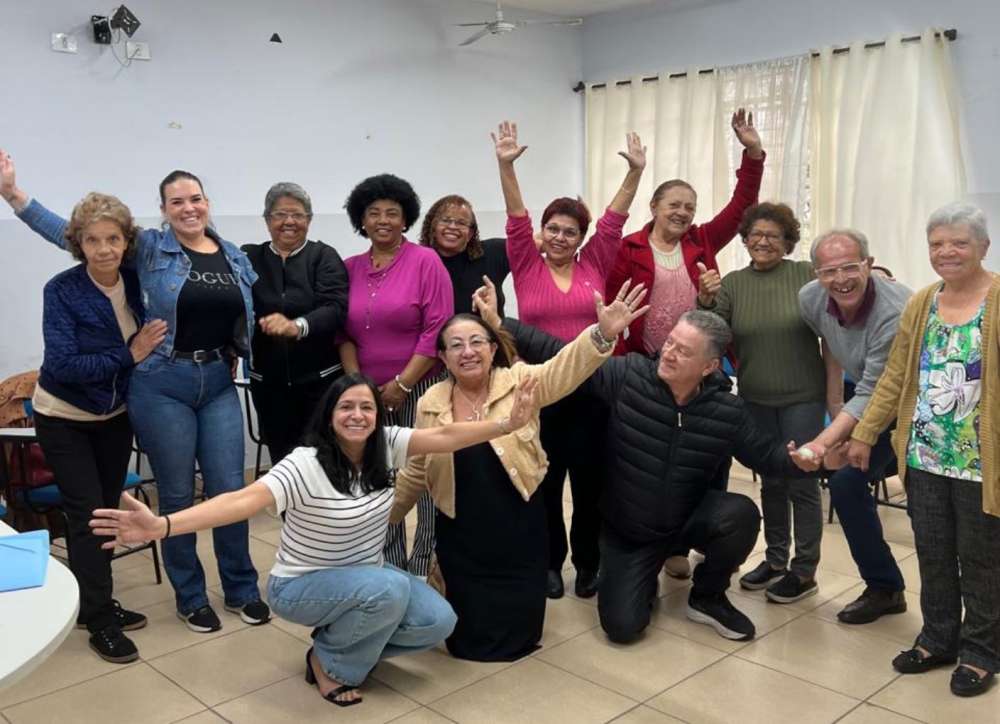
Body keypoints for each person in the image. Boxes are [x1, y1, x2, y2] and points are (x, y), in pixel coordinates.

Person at [90, 372, 540, 706]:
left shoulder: (387, 444)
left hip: (365, 578)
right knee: (391, 588)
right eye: (346, 407)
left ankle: (337, 642)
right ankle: (330, 666)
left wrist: (505, 424)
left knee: (438, 621)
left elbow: (445, 435)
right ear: (329, 416)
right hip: (302, 585)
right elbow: (240, 500)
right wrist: (164, 525)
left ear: (377, 415)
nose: (357, 415)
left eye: (366, 407)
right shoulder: (304, 464)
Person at [1, 152, 270, 633]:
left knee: (231, 489)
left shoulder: (232, 254)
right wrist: (14, 195)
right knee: (177, 493)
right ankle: (191, 596)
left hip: (217, 380)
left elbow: (246, 312)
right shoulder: (147, 249)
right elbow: (74, 233)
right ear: (163, 210)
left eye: (195, 198)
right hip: (162, 380)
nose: (188, 208)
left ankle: (241, 588)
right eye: (176, 202)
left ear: (207, 202)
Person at [503, 309, 822, 643]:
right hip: (628, 531)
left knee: (740, 514)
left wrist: (803, 461)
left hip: (684, 520)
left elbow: (766, 456)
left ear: (709, 366)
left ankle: (708, 597)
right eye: (670, 342)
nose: (669, 353)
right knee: (623, 627)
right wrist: (502, 323)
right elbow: (561, 354)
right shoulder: (629, 376)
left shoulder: (726, 410)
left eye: (683, 351)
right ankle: (643, 579)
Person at [392, 278, 648, 661]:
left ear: (493, 348)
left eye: (477, 342)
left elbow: (564, 368)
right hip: (461, 532)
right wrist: (380, 517)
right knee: (466, 629)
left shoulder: (519, 382)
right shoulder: (431, 401)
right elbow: (416, 469)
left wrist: (601, 333)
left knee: (520, 620)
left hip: (519, 524)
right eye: (456, 345)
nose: (468, 352)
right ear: (442, 357)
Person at [0, 182, 166, 663]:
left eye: (113, 238)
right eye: (93, 240)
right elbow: (64, 365)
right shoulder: (62, 290)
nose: (104, 249)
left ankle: (95, 603)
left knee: (107, 514)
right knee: (90, 515)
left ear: (126, 241)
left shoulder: (135, 279)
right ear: (78, 244)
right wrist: (130, 354)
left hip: (114, 417)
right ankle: (100, 620)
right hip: (64, 418)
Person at [848, 203, 999, 698]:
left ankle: (981, 651)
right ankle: (938, 638)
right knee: (932, 552)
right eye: (937, 244)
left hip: (982, 462)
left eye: (959, 242)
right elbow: (896, 375)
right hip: (925, 455)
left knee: (981, 560)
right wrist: (865, 431)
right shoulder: (922, 302)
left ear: (983, 247)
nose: (946, 252)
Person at [606, 108, 764, 580]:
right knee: (654, 467)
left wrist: (752, 154)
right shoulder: (629, 248)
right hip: (647, 370)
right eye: (673, 204)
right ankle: (658, 544)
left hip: (701, 372)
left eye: (689, 207)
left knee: (705, 462)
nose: (682, 212)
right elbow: (614, 308)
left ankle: (695, 540)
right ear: (654, 207)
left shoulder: (702, 241)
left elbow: (742, 206)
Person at [495, 121, 646, 599]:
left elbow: (613, 221)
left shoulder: (595, 263)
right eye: (553, 229)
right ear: (542, 233)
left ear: (581, 238)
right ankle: (548, 563)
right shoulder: (526, 263)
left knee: (590, 485)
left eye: (570, 231)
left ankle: (588, 563)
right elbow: (515, 217)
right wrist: (505, 166)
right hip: (540, 390)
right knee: (543, 481)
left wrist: (635, 173)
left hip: (593, 390)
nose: (560, 237)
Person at [698, 203, 832, 603]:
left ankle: (803, 570)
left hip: (803, 397)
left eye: (773, 235)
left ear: (787, 241)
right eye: (755, 234)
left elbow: (835, 322)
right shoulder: (734, 283)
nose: (763, 241)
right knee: (772, 481)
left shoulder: (805, 276)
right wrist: (704, 299)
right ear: (744, 239)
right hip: (755, 398)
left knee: (802, 483)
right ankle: (775, 560)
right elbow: (713, 328)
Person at [337, 174, 454, 577]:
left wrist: (402, 384)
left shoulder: (426, 261)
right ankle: (389, 564)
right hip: (367, 395)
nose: (383, 220)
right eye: (374, 213)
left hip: (421, 388)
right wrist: (359, 387)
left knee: (423, 477)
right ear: (361, 220)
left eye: (392, 213)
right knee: (377, 477)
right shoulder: (349, 268)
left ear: (406, 219)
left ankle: (423, 564)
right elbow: (342, 334)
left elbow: (437, 328)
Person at [797, 229, 913, 624]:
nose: (841, 279)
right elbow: (830, 344)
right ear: (817, 274)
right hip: (866, 400)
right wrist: (835, 411)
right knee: (846, 484)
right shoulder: (811, 297)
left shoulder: (894, 310)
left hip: (910, 405)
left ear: (868, 264)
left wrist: (823, 442)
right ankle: (885, 588)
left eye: (850, 267)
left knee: (925, 503)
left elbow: (877, 390)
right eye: (829, 271)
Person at [242, 182, 349, 464]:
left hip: (320, 384)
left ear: (309, 220)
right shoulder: (249, 257)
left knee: (324, 461)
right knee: (284, 464)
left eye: (298, 215)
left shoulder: (323, 256)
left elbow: (335, 308)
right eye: (280, 214)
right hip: (270, 386)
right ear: (267, 220)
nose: (289, 221)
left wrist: (297, 326)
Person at [419, 194, 510, 316]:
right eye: (445, 220)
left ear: (470, 233)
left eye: (461, 223)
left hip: (490, 328)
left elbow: (529, 245)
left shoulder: (493, 252)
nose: (452, 227)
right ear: (433, 227)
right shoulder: (418, 263)